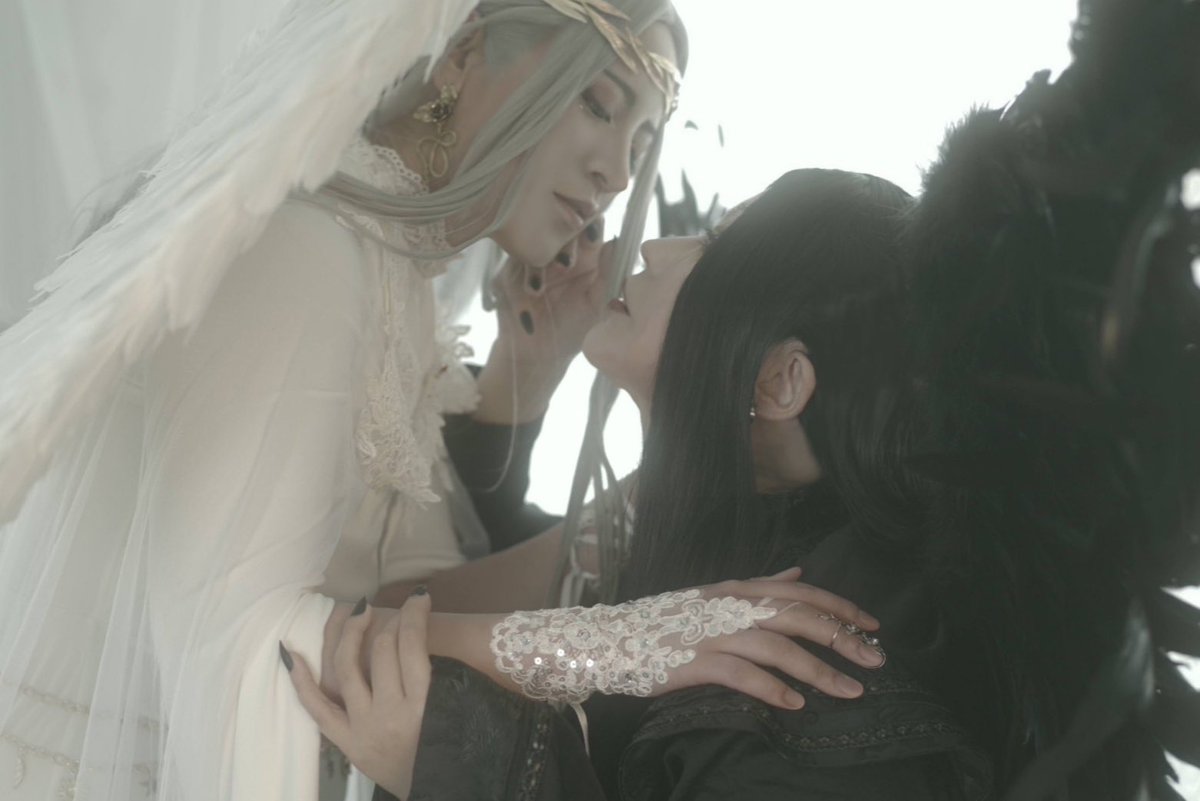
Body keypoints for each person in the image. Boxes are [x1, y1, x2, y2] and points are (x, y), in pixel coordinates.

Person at [291, 0, 1200, 795]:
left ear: (778, 380)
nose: (655, 240)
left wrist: (465, 765)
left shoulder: (814, 670)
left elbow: (405, 619)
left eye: (714, 247)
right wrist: (520, 390)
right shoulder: (735, 553)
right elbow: (441, 592)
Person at [0, 2, 888, 800]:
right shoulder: (309, 252)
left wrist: (613, 540)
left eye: (642, 140)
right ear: (462, 54)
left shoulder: (392, 278)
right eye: (599, 104)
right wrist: (623, 647)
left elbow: (394, 596)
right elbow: (249, 650)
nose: (619, 173)